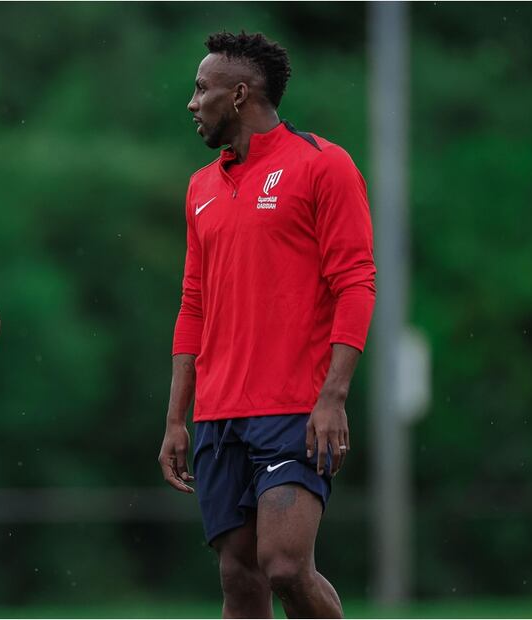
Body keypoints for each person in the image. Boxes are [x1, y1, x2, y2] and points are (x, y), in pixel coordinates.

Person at [157, 31, 376, 619]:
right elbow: (193, 305)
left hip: (295, 408)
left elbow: (356, 281)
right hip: (219, 415)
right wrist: (178, 417)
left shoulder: (322, 165)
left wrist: (333, 395)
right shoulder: (201, 187)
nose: (191, 101)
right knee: (240, 577)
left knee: (283, 564)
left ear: (239, 95)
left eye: (202, 88)